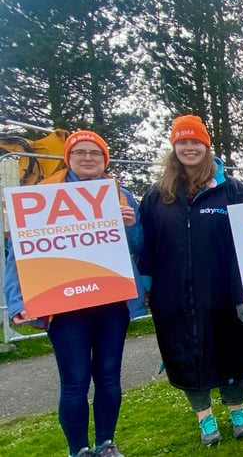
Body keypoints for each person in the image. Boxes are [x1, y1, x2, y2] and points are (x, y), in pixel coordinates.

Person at [3, 130, 142, 457]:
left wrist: (132, 225)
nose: (88, 158)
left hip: (111, 302)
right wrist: (17, 302)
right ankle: (78, 449)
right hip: (64, 305)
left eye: (95, 152)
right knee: (75, 380)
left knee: (109, 377)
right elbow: (17, 256)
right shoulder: (41, 195)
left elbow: (139, 247)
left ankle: (106, 443)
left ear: (105, 158)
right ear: (68, 157)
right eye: (80, 152)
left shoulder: (121, 196)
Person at [138, 115, 243, 446]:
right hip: (173, 294)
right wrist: (146, 288)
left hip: (225, 291)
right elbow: (146, 247)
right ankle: (205, 418)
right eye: (183, 142)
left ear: (207, 147)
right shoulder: (157, 196)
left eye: (196, 142)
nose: (190, 147)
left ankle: (236, 410)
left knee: (233, 352)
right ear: (174, 148)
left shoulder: (231, 190)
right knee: (186, 354)